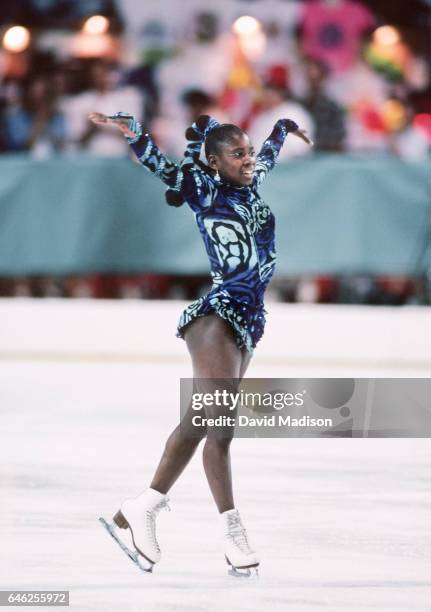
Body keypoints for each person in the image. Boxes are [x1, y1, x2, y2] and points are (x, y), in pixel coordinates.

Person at [90, 110, 312, 576]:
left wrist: (284, 127)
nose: (248, 159)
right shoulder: (204, 189)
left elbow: (269, 154)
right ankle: (232, 533)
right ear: (214, 161)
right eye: (237, 154)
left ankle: (141, 507)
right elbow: (160, 165)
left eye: (248, 151)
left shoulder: (250, 181)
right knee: (222, 428)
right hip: (217, 318)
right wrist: (134, 132)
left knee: (199, 422)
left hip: (250, 322)